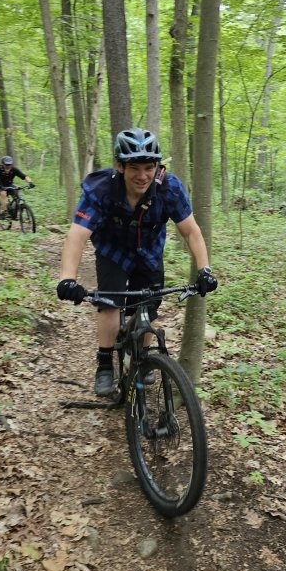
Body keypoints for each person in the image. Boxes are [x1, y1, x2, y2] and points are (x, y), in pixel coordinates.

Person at [57, 127, 218, 397]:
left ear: (157, 166)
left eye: (148, 167)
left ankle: (142, 358)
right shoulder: (102, 188)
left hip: (149, 252)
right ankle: (105, 363)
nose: (142, 175)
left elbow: (191, 231)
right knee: (110, 303)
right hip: (112, 251)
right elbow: (77, 235)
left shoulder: (169, 188)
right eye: (134, 167)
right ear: (120, 166)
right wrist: (67, 278)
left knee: (148, 307)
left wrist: (205, 270)